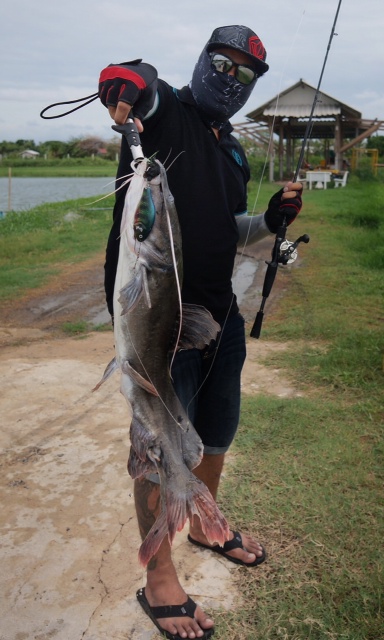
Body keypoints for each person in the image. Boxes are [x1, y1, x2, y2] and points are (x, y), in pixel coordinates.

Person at [98, 25, 303, 640]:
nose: (230, 79)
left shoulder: (234, 149)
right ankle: (159, 576)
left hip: (220, 318)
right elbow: (139, 82)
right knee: (157, 452)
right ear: (202, 60)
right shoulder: (168, 118)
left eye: (246, 75)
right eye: (222, 63)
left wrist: (266, 222)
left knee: (215, 435)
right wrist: (127, 81)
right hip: (160, 324)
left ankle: (204, 521)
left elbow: (228, 228)